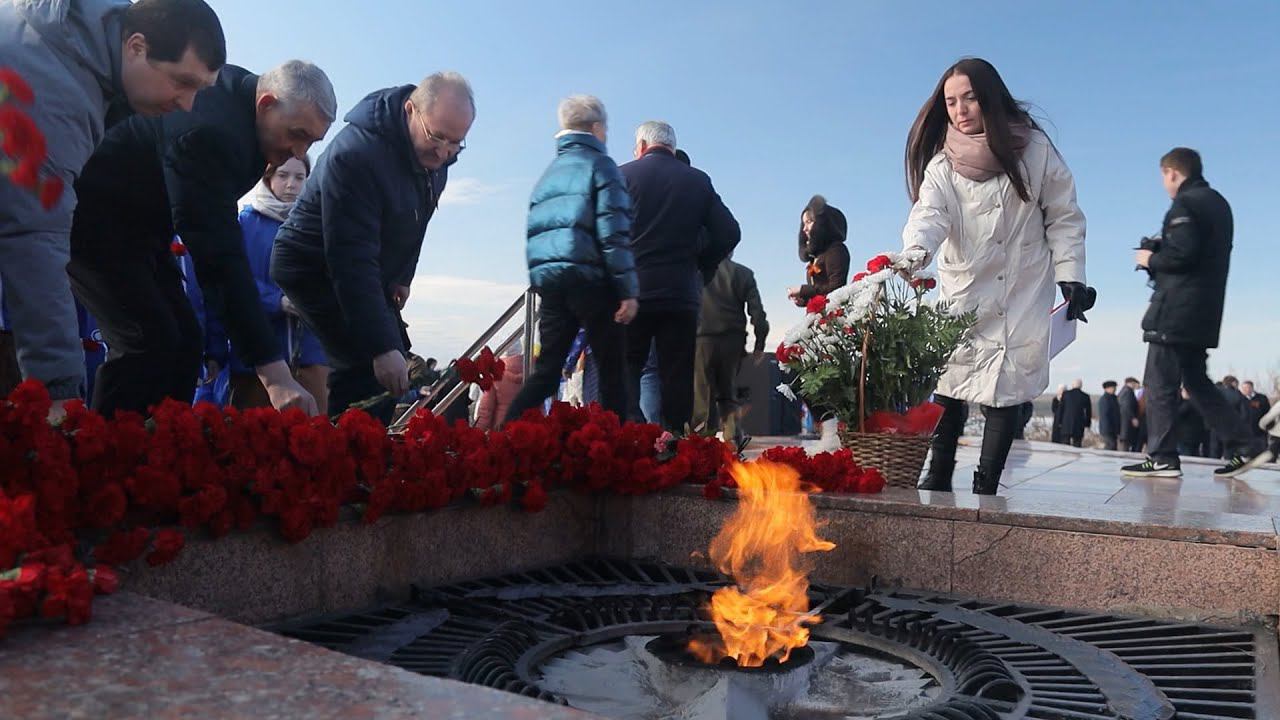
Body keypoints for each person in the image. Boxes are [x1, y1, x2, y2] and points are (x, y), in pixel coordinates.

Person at [70, 60, 335, 418]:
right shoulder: (212, 132)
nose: (299, 153)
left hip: (143, 230)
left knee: (185, 342)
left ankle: (167, 446)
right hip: (94, 220)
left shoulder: (250, 115)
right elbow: (218, 256)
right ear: (266, 104)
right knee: (145, 340)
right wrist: (273, 372)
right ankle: (105, 453)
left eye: (311, 141)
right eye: (297, 134)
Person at [0, 0, 225, 418]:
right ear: (136, 46)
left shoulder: (73, 58)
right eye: (182, 82)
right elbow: (34, 239)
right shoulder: (57, 94)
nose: (188, 104)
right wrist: (58, 388)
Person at [902, 58, 1088, 495]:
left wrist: (1071, 274)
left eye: (969, 97)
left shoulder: (1035, 150)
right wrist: (914, 255)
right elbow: (928, 216)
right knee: (951, 380)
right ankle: (939, 469)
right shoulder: (943, 166)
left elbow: (1063, 216)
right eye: (951, 101)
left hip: (1023, 285)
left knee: (1009, 381)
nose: (961, 109)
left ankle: (987, 480)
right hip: (965, 286)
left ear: (990, 97)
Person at [272, 72, 475, 422]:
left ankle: (366, 456)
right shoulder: (357, 156)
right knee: (367, 366)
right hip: (311, 264)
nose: (444, 152)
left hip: (369, 265)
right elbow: (349, 257)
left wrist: (402, 277)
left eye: (456, 143)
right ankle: (344, 464)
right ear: (411, 110)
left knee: (395, 363)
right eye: (437, 137)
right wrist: (380, 347)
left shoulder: (434, 162)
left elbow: (416, 222)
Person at [1123, 148, 1264, 478]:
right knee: (1198, 383)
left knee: (1159, 383)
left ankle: (1162, 456)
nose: (1164, 184)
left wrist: (1150, 259)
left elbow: (1184, 255)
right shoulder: (1218, 203)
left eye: (1163, 177)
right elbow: (1199, 255)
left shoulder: (1186, 204)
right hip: (1204, 311)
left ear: (1172, 172)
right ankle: (1246, 444)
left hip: (1175, 313)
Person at [502, 95, 636, 422]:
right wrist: (627, 289)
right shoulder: (601, 166)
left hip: (551, 285)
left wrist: (542, 282)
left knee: (546, 372)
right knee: (612, 372)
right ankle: (618, 451)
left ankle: (504, 437)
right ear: (596, 127)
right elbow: (613, 230)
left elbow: (536, 234)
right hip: (593, 281)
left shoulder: (548, 175)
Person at [620, 120, 740, 431]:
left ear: (642, 146)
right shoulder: (697, 181)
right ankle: (674, 444)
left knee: (627, 367)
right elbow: (729, 232)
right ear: (672, 147)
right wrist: (701, 263)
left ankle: (629, 439)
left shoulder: (622, 176)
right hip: (680, 293)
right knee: (676, 373)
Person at [229, 156, 329, 412]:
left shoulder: (320, 225)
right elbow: (234, 281)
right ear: (268, 178)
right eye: (283, 176)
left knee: (314, 436)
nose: (291, 184)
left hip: (311, 354)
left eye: (299, 177)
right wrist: (278, 301)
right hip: (258, 359)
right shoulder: (246, 224)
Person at [786, 195, 849, 451]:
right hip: (815, 323)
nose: (805, 228)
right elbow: (821, 290)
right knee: (802, 375)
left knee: (810, 375)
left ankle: (832, 428)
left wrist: (805, 289)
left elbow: (837, 287)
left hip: (830, 327)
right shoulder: (818, 256)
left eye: (809, 221)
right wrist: (805, 298)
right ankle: (829, 428)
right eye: (803, 223)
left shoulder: (836, 251)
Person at [693, 253, 769, 444]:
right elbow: (757, 312)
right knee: (728, 392)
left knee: (703, 394)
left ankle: (703, 443)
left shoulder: (696, 272)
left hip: (702, 339)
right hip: (733, 341)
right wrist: (759, 343)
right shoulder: (743, 273)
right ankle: (732, 440)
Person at [1175, 387, 1209, 458]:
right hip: (1196, 437)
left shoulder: (1187, 404)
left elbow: (1178, 414)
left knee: (1185, 458)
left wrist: (1184, 400)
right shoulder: (1199, 403)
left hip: (1185, 437)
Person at [1059, 379, 1092, 447]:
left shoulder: (1066, 394)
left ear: (1072, 385)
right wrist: (1087, 424)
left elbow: (1061, 409)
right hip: (1079, 424)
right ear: (1081, 386)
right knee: (1077, 444)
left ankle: (1065, 457)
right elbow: (1088, 412)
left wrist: (1059, 421)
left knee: (1065, 445)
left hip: (1066, 423)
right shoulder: (1085, 396)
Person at [1118, 377, 1142, 452]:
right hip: (1126, 424)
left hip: (1124, 423)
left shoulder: (1124, 391)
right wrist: (1133, 418)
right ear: (1132, 383)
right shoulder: (1128, 392)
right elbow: (1127, 407)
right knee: (1125, 446)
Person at [1098, 380, 1121, 450]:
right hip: (1108, 429)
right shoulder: (1105, 399)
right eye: (1113, 387)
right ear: (1107, 388)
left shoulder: (1114, 398)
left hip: (1114, 428)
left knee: (1113, 446)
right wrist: (1108, 428)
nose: (1114, 389)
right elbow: (1105, 415)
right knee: (1111, 445)